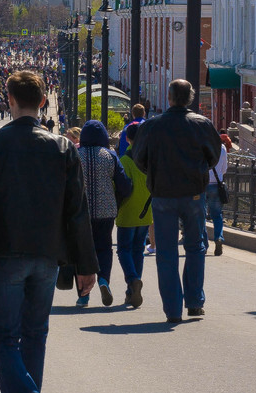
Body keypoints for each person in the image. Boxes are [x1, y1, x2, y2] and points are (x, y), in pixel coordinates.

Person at [0, 70, 96, 393]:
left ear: (8, 100)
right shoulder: (61, 146)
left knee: (5, 339)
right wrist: (86, 266)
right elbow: (77, 211)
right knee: (35, 334)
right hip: (47, 254)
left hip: (6, 253)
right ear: (43, 102)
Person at [133, 79, 223, 323]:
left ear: (170, 98)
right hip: (193, 193)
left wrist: (156, 173)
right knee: (195, 247)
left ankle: (173, 310)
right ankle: (194, 303)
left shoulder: (152, 125)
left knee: (166, 252)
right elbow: (214, 156)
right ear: (190, 99)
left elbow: (139, 158)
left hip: (162, 194)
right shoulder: (201, 124)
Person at [75, 120, 121, 308]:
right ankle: (104, 280)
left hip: (81, 213)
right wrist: (116, 201)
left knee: (83, 251)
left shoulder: (76, 155)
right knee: (104, 247)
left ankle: (83, 296)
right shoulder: (109, 156)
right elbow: (124, 184)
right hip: (105, 212)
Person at [114, 124, 152, 307]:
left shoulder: (125, 160)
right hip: (146, 212)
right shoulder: (151, 159)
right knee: (138, 251)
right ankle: (131, 293)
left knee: (123, 250)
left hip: (127, 212)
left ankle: (133, 279)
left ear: (127, 139)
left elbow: (120, 187)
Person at [206, 132, 232, 257]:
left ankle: (203, 244)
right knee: (217, 215)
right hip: (217, 184)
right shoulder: (222, 148)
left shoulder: (202, 146)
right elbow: (224, 169)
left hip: (203, 184)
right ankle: (218, 237)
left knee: (200, 215)